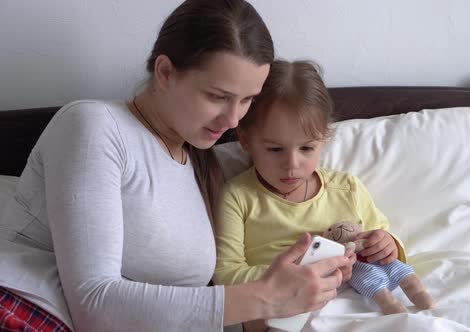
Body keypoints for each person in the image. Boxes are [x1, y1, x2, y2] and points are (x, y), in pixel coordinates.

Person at [0, 1, 348, 331]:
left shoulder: (204, 165)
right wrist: (263, 298)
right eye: (218, 96)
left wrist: (289, 298)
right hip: (26, 311)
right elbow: (94, 304)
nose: (232, 119)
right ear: (165, 72)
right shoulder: (94, 126)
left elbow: (190, 310)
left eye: (247, 100)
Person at [213, 60, 407, 328]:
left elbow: (383, 239)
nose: (292, 164)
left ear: (323, 139)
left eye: (306, 148)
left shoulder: (346, 189)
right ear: (245, 140)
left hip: (349, 305)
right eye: (274, 149)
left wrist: (387, 245)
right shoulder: (238, 197)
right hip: (280, 311)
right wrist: (296, 274)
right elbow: (225, 275)